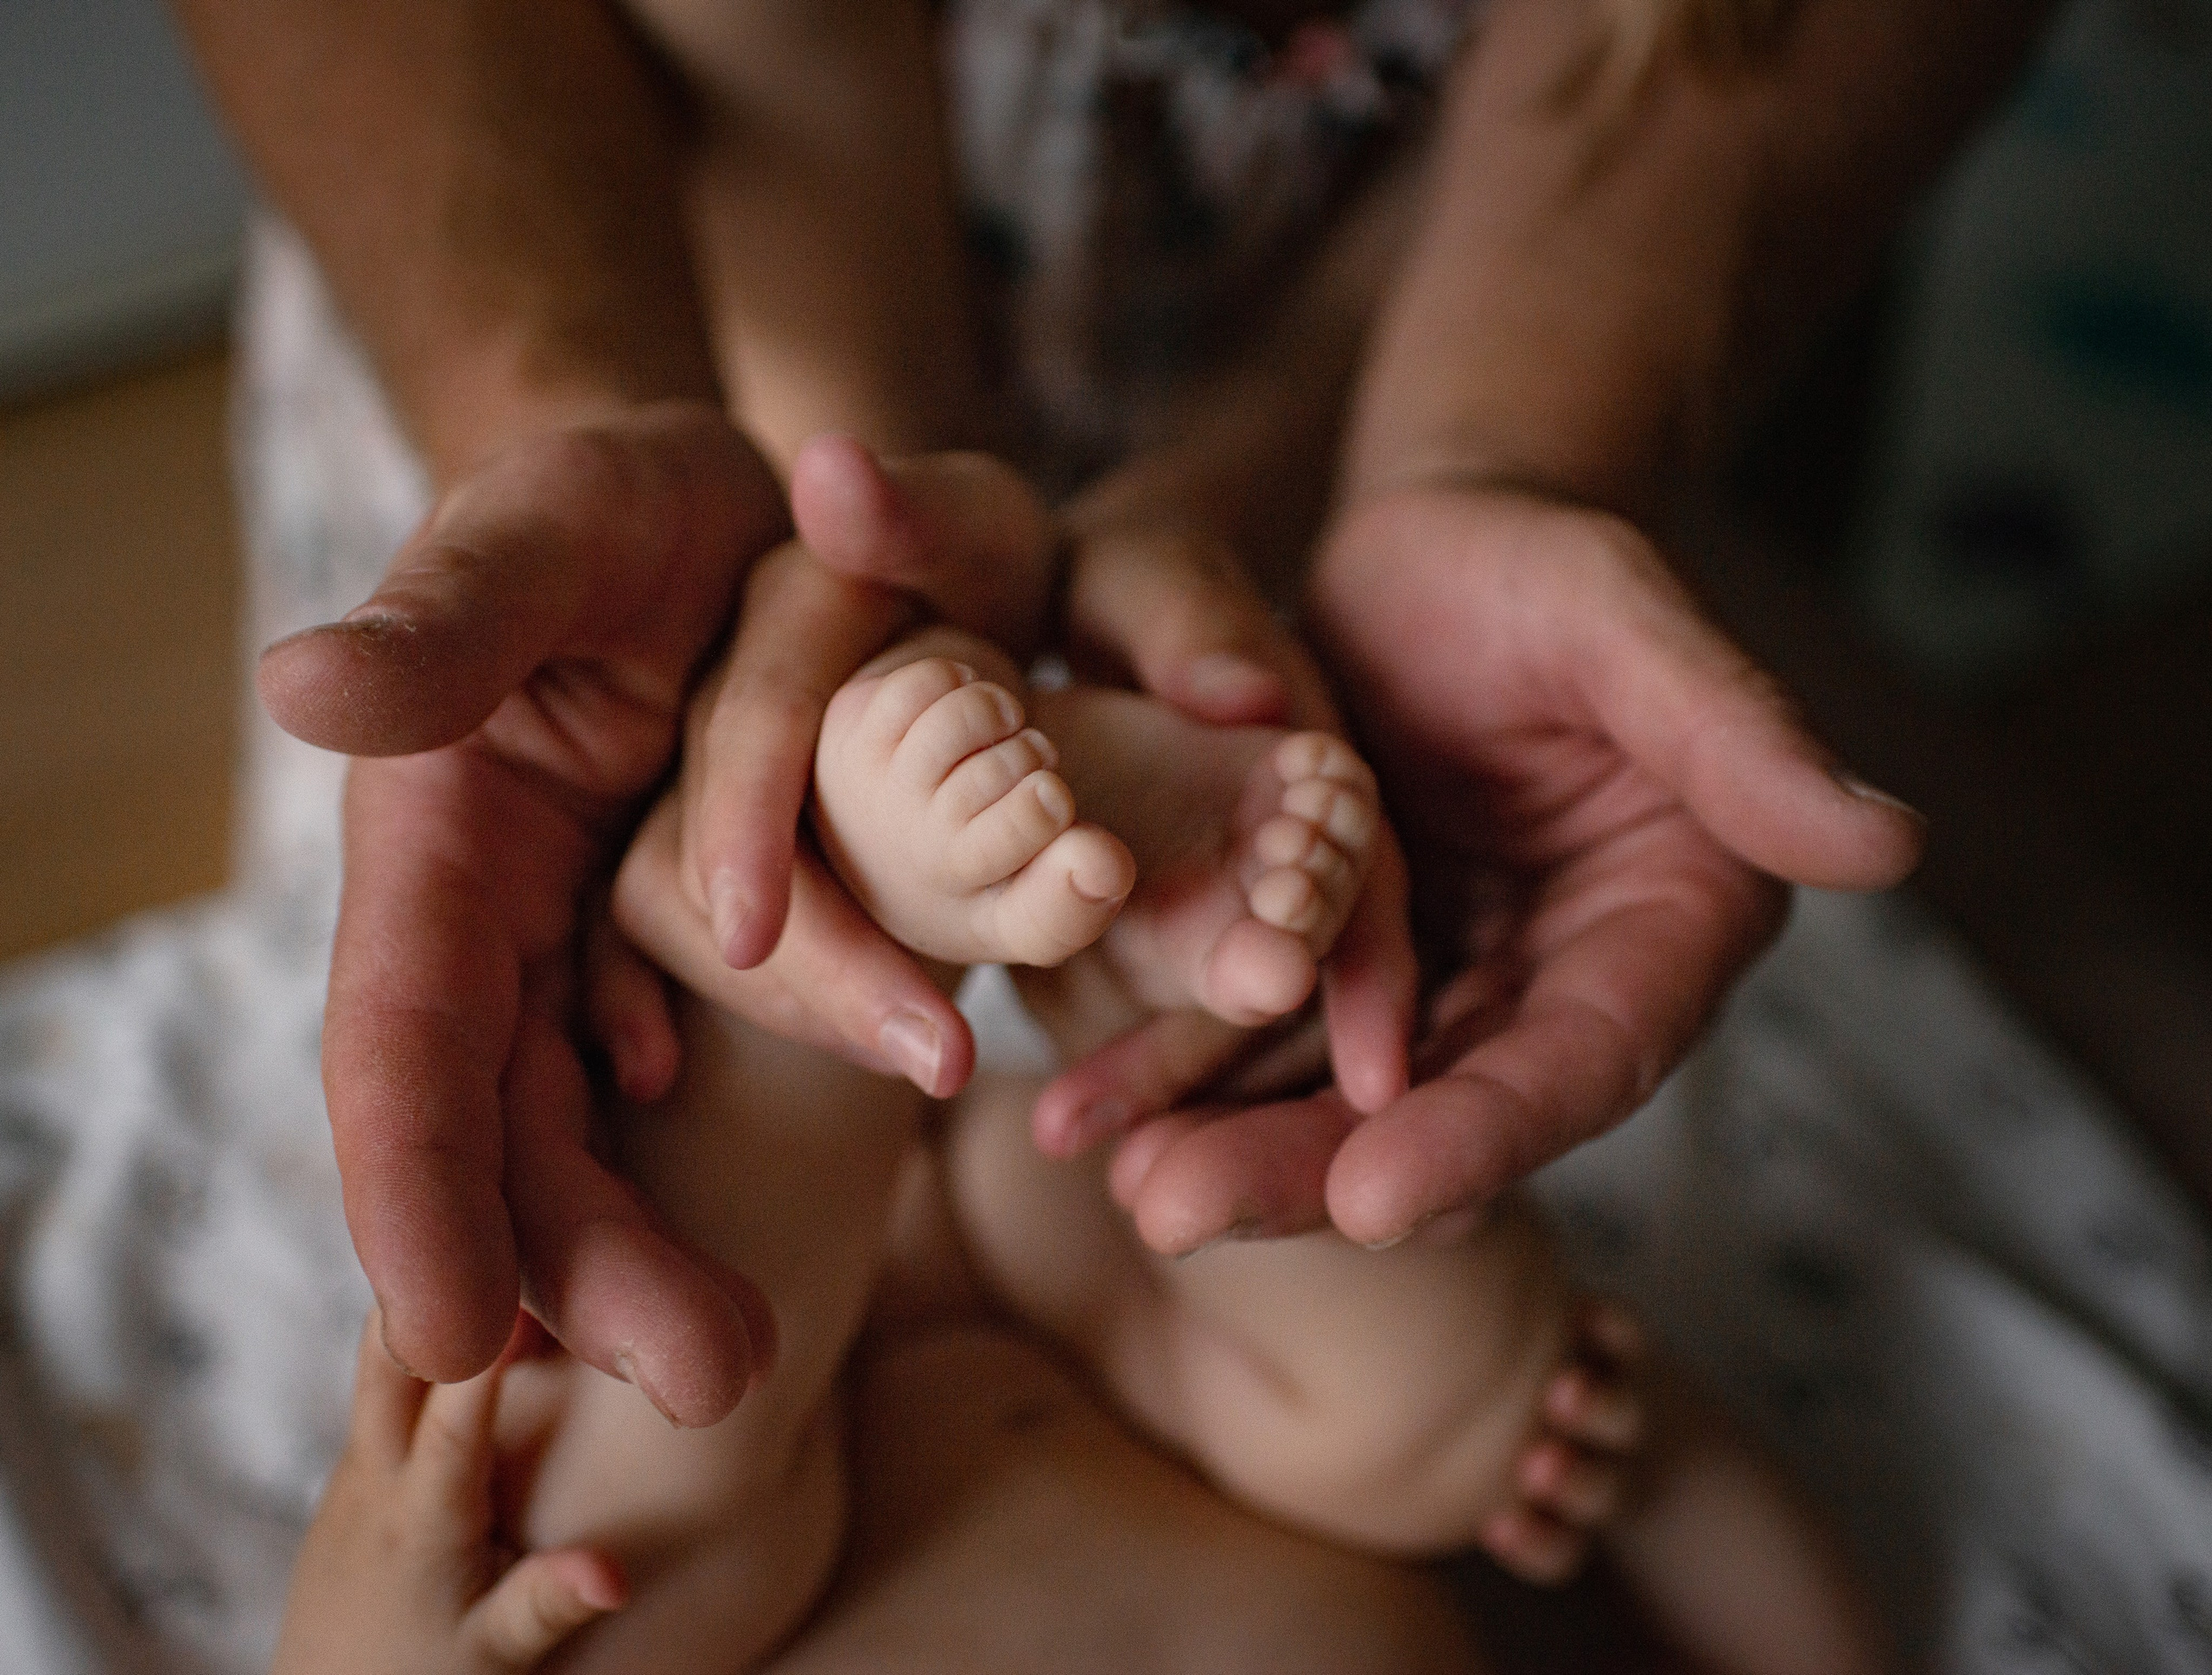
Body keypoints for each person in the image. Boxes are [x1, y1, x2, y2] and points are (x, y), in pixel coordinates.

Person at [172, 0, 2051, 1438]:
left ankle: (999, 794)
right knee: (692, 1066)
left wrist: (1487, 442)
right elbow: (792, 83)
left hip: (1526, 266)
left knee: (1331, 1311)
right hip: (663, 334)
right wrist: (836, 525)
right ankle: (944, 778)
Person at [271, 527, 1888, 1668]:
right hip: (1131, 1370)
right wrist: (1641, 1455)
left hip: (886, 1443)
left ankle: (841, 911)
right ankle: (1128, 974)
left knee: (616, 1522)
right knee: (1429, 1397)